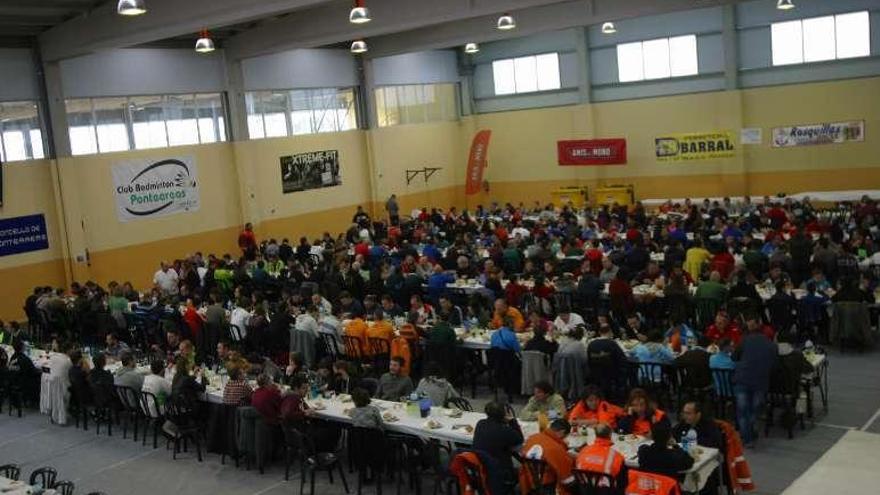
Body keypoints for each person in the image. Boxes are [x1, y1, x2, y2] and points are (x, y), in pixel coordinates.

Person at [733, 315, 778, 447]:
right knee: (754, 409)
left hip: (742, 378)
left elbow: (735, 357)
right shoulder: (771, 346)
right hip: (760, 381)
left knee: (742, 411)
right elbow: (774, 366)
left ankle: (747, 439)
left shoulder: (744, 340)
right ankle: (751, 432)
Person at [519, 419, 576, 495]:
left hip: (528, 480)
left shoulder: (532, 438)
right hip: (547, 485)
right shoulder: (556, 448)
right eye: (564, 436)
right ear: (562, 432)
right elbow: (567, 479)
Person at [472, 401, 524, 485]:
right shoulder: (505, 431)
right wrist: (512, 421)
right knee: (522, 470)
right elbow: (520, 439)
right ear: (504, 415)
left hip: (480, 466)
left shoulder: (480, 423)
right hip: (500, 471)